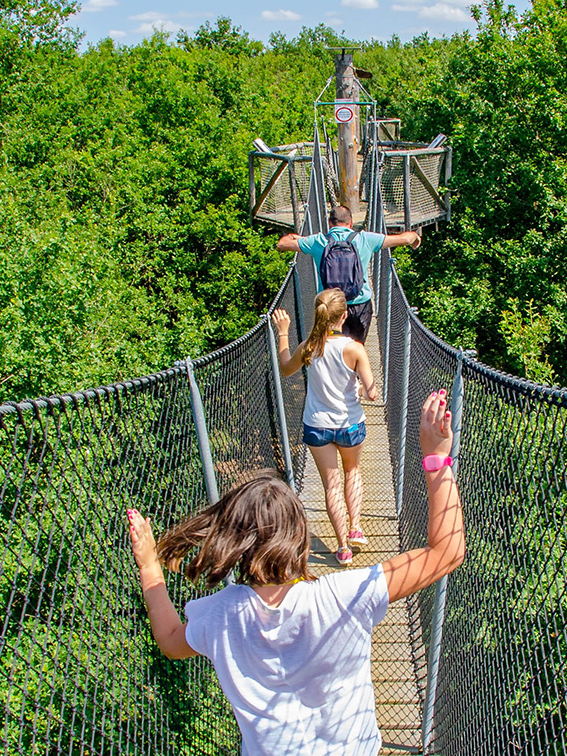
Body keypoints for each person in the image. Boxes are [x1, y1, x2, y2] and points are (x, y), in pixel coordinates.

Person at [126, 389, 465, 756]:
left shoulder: (220, 615)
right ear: (300, 535)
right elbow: (446, 552)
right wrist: (436, 459)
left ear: (234, 539)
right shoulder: (345, 596)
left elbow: (170, 641)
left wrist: (150, 567)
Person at [272, 290, 374, 565]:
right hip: (349, 424)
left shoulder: (309, 346)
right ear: (345, 315)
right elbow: (372, 391)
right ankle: (356, 527)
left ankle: (342, 548)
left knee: (332, 485)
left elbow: (286, 369)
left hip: (317, 426)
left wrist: (283, 332)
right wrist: (363, 390)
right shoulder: (355, 348)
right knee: (352, 472)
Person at [275, 205, 421, 344]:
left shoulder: (317, 241)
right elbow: (405, 239)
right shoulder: (365, 238)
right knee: (357, 349)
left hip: (331, 305)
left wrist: (298, 238)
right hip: (360, 305)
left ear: (329, 223)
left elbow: (281, 244)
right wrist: (415, 236)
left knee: (333, 348)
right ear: (351, 223)